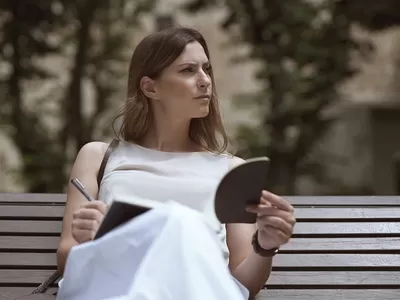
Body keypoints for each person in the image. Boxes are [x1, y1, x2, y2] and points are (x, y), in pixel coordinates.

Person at [56, 26, 296, 300]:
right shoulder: (98, 156)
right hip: (117, 288)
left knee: (181, 222)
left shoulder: (231, 170)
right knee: (178, 220)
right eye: (188, 70)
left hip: (195, 292)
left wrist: (264, 247)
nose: (205, 80)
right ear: (150, 87)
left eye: (207, 69)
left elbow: (241, 286)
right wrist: (100, 242)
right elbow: (67, 256)